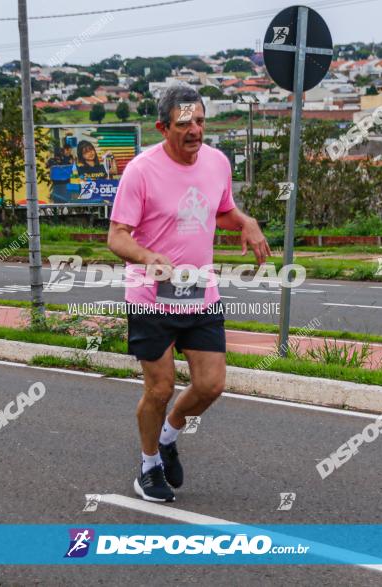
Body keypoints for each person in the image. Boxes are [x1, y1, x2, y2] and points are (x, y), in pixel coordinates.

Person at [107, 85, 271, 502]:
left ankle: (167, 436)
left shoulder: (217, 162)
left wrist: (246, 221)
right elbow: (117, 237)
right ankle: (147, 468)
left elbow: (221, 209)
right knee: (159, 388)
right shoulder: (141, 171)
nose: (195, 130)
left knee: (211, 385)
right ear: (164, 127)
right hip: (151, 297)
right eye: (185, 124)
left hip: (201, 292)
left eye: (200, 121)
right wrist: (148, 257)